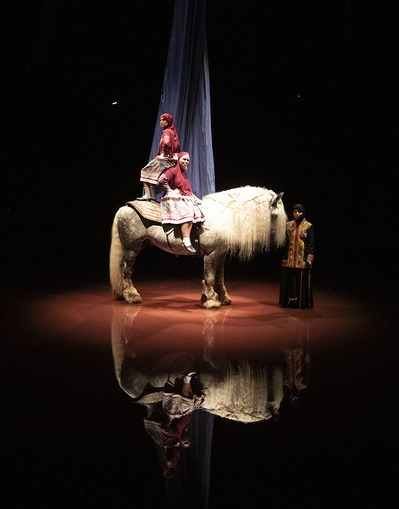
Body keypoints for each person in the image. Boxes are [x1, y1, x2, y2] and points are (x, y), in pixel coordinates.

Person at [158, 152, 205, 253]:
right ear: (178, 159)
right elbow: (161, 179)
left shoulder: (183, 172)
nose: (186, 162)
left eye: (188, 160)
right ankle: (186, 239)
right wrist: (169, 190)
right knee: (188, 211)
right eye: (184, 159)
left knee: (200, 208)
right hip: (173, 197)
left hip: (183, 195)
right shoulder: (173, 170)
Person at [138, 113, 181, 201]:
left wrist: (165, 154)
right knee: (152, 174)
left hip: (166, 159)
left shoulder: (167, 131)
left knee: (144, 171)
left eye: (163, 120)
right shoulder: (172, 131)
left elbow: (166, 143)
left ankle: (147, 195)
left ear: (168, 121)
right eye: (160, 120)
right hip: (171, 159)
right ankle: (153, 197)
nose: (161, 122)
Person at [279, 204, 314, 308]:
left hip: (301, 258)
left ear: (303, 213)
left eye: (299, 212)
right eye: (295, 212)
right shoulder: (289, 225)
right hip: (290, 258)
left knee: (301, 281)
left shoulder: (308, 226)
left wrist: (309, 258)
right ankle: (289, 302)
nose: (297, 214)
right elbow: (285, 242)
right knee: (289, 281)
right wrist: (284, 257)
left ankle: (301, 303)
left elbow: (311, 243)